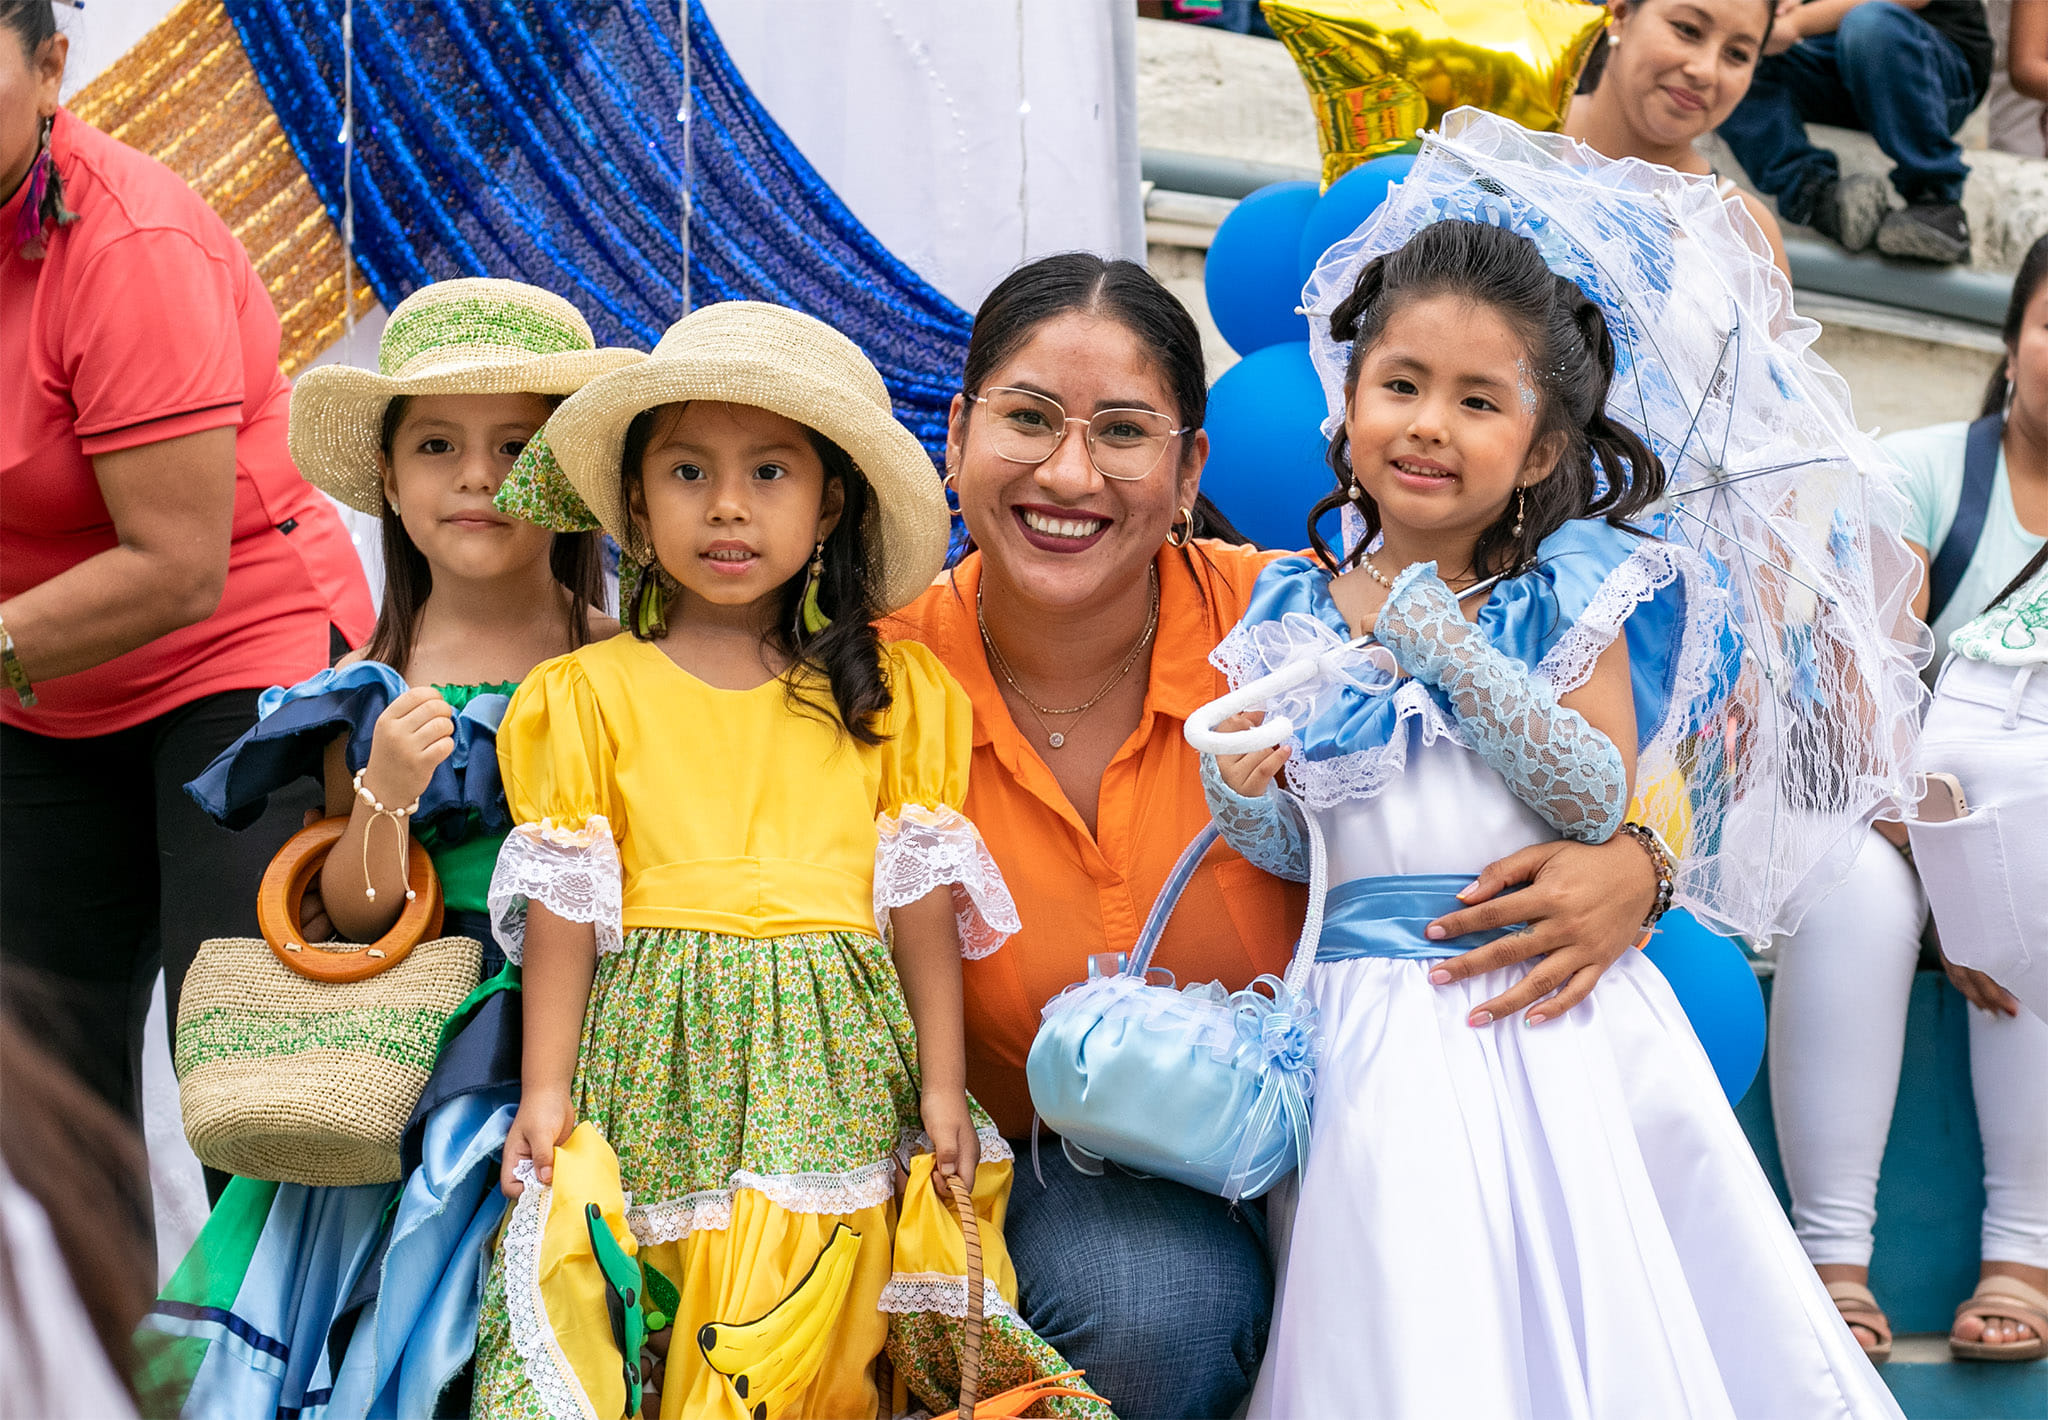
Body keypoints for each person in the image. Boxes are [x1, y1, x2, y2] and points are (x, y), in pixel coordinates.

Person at [885, 252, 1676, 1417]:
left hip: (1345, 1103)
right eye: (1028, 418)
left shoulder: (1299, 618)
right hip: (1024, 1150)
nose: (1068, 472)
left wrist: (1637, 866)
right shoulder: (874, 678)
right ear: (955, 435)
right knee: (1151, 1292)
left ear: (1188, 468)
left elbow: (1584, 751)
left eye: (1122, 431)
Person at [1199, 218, 1899, 1418]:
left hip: (1536, 1013)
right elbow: (1299, 853)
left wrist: (1451, 650)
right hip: (1364, 1023)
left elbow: (1586, 791)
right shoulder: (1291, 604)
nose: (1428, 423)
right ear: (1347, 405)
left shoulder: (1562, 590)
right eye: (1399, 385)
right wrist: (1243, 795)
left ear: (1537, 452)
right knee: (1404, 1306)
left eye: (1477, 401)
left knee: (1577, 1290)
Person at [468, 301, 1105, 1418]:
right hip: (658, 1066)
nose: (727, 505)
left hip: (837, 1069)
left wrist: (944, 1088)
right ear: (635, 503)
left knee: (820, 1318)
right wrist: (547, 1092)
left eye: (769, 472)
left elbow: (919, 912)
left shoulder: (895, 698)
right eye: (687, 473)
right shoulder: (582, 696)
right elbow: (567, 914)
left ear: (829, 506)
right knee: (667, 1315)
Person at [140, 279, 634, 1419]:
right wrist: (383, 798)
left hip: (605, 1044)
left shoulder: (628, 667)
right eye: (437, 445)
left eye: (518, 446)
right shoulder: (360, 688)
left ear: (571, 478)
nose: (476, 475)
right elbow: (354, 919)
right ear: (391, 480)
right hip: (410, 1067)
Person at [0, 0, 374, 1200]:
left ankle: (271, 1333)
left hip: (234, 656)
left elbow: (176, 565)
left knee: (246, 1100)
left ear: (51, 68)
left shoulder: (132, 244)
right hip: (38, 691)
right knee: (42, 1111)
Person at [1771, 233, 2048, 1365]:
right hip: (1889, 810)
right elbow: (1857, 690)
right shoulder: (1918, 472)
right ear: (2011, 339)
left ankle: (2022, 1255)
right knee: (1848, 892)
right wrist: (1955, 872)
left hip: (2029, 831)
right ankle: (1831, 1260)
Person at [1716, 0, 1993, 265]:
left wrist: (1797, 22)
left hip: (1925, 66)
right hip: (1832, 61)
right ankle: (1816, 195)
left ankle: (1936, 198)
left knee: (1870, 24)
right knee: (1734, 62)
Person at [1566, 0, 1792, 277]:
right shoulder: (1518, 135)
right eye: (1688, 30)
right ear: (1621, 14)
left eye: (1737, 54)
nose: (1705, 71)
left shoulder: (1747, 235)